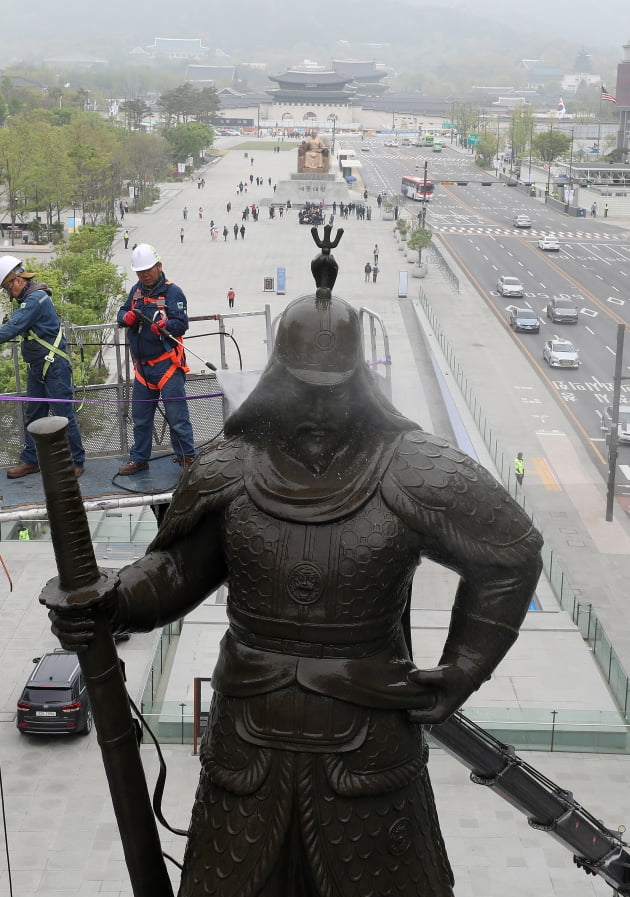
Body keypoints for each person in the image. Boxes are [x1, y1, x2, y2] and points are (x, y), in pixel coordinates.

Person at [50, 238, 542, 897]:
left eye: (331, 392)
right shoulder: (231, 467)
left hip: (369, 751)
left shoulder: (413, 468)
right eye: (303, 390)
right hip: (246, 750)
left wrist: (464, 667)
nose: (316, 408)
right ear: (278, 379)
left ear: (359, 385)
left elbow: (512, 553)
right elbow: (174, 570)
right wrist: (114, 600)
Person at [0, 256, 85, 479]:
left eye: (7, 287)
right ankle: (32, 460)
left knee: (63, 414)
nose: (8, 292)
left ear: (17, 280)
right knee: (34, 414)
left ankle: (76, 460)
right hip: (38, 366)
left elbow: (12, 327)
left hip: (54, 366)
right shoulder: (30, 300)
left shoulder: (35, 300)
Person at [116, 244, 196, 475]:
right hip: (142, 367)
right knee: (140, 418)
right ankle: (139, 458)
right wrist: (126, 317)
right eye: (140, 272)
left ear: (159, 266)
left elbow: (182, 323)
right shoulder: (136, 291)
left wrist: (165, 325)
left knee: (177, 417)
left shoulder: (173, 292)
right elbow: (121, 312)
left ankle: (187, 459)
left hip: (167, 365)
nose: (145, 275)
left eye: (148, 270)